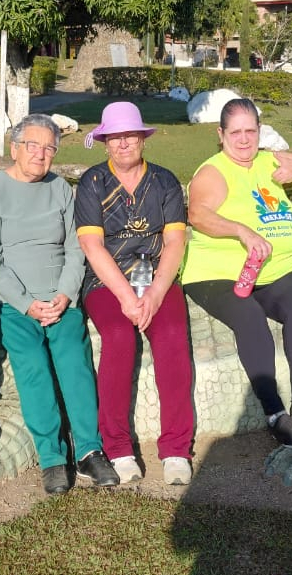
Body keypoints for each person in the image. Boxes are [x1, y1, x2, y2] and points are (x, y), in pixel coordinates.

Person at [181, 97, 292, 449]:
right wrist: (241, 230)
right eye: (235, 132)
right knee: (250, 316)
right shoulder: (214, 171)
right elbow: (198, 214)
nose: (244, 139)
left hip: (271, 268)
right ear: (221, 134)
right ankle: (275, 413)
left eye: (250, 131)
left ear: (260, 131)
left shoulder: (268, 160)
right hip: (219, 272)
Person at [0, 114, 120, 495]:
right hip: (14, 303)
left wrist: (65, 294)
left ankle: (89, 450)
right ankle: (52, 457)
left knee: (74, 360)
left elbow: (75, 247)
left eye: (49, 148)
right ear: (15, 148)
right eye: (32, 146)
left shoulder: (60, 189)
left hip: (60, 297)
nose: (40, 155)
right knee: (33, 367)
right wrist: (26, 303)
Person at [75, 101, 194, 486]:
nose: (123, 143)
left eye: (130, 135)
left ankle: (176, 448)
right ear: (105, 142)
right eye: (114, 137)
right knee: (118, 336)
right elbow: (93, 247)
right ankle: (118, 447)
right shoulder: (93, 183)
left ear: (143, 138)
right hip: (107, 280)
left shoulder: (164, 181)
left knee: (172, 336)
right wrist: (127, 298)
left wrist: (156, 292)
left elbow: (174, 242)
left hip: (157, 275)